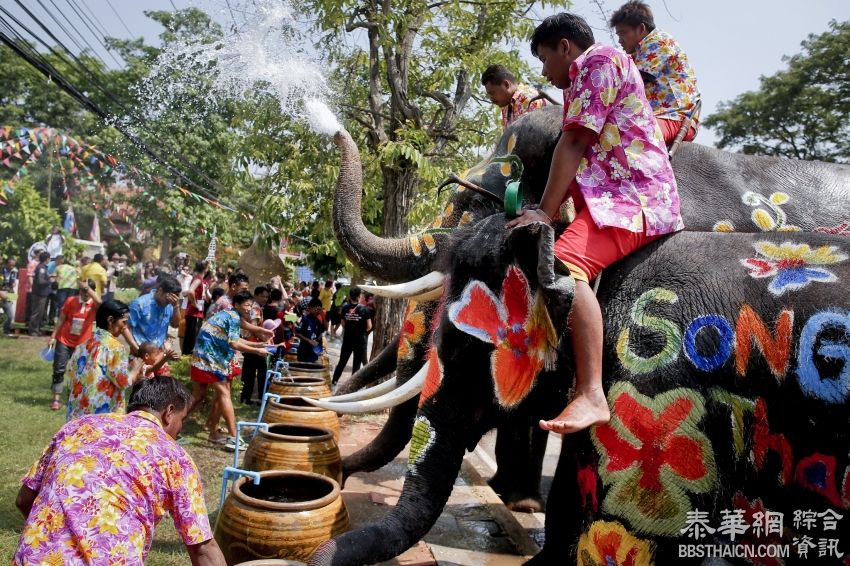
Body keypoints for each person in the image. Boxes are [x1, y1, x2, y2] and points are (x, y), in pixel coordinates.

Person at [507, 13, 683, 434]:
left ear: (566, 47)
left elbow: (573, 144)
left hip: (636, 201)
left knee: (565, 265)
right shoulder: (585, 81)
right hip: (613, 200)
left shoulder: (599, 61)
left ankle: (591, 394)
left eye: (545, 59)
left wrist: (544, 213)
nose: (544, 72)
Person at [13, 377, 227, 565]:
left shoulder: (76, 427)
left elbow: (24, 499)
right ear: (169, 413)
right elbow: (203, 548)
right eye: (183, 419)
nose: (179, 430)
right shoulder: (176, 457)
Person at [610, 0, 700, 144]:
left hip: (674, 117)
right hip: (658, 116)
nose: (620, 40)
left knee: (627, 139)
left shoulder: (657, 42)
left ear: (641, 28)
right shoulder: (638, 53)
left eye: (623, 33)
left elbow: (632, 82)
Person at [189, 291, 270, 450]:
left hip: (205, 355)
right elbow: (234, 344)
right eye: (246, 305)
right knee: (224, 393)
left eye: (250, 305)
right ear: (237, 305)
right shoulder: (233, 317)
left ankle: (176, 424)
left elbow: (234, 339)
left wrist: (257, 345)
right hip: (209, 358)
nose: (249, 308)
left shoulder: (231, 315)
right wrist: (256, 351)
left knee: (198, 395)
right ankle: (234, 438)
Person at [65, 300, 146, 420]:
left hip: (77, 414)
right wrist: (135, 369)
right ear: (110, 320)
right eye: (124, 322)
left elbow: (70, 378)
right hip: (102, 416)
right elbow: (123, 382)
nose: (125, 327)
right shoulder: (115, 347)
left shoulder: (83, 345)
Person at [48, 279, 102, 410]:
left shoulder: (94, 304)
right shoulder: (71, 300)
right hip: (64, 339)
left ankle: (73, 397)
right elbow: (61, 319)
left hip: (82, 343)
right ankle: (56, 398)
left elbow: (100, 303)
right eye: (82, 290)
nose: (84, 293)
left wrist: (87, 288)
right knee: (59, 368)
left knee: (79, 371)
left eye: (87, 291)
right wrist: (53, 336)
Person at [481, 64, 549, 129]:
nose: (491, 99)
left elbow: (537, 136)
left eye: (492, 93)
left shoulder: (530, 99)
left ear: (506, 84)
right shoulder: (507, 105)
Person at [331, 287, 373, 388]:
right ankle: (352, 386)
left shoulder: (345, 308)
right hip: (359, 340)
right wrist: (361, 332)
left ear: (350, 296)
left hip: (348, 339)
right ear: (359, 296)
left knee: (342, 361)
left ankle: (334, 381)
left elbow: (343, 324)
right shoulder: (364, 309)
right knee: (356, 363)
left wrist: (351, 328)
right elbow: (369, 326)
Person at [240, 285, 270, 405]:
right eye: (262, 296)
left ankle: (245, 397)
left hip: (249, 343)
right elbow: (254, 326)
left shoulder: (252, 306)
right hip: (255, 344)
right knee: (261, 371)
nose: (265, 299)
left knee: (248, 371)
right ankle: (261, 398)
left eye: (267, 296)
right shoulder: (256, 308)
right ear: (256, 295)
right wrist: (262, 338)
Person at [183, 261, 209, 356]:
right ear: (205, 268)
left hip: (195, 313)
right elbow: (190, 291)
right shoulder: (198, 279)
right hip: (193, 313)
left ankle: (186, 357)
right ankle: (186, 358)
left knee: (191, 336)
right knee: (191, 337)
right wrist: (195, 304)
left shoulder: (199, 279)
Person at [27, 251, 52, 336]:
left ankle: (36, 329)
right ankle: (33, 330)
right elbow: (40, 281)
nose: (50, 259)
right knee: (37, 312)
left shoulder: (44, 267)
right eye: (49, 258)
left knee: (40, 313)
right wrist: (49, 281)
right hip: (39, 294)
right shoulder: (41, 268)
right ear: (46, 259)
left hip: (42, 294)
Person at [296, 298, 325, 363]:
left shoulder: (318, 321)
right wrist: (309, 341)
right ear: (310, 308)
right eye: (315, 309)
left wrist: (323, 315)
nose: (317, 311)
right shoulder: (305, 319)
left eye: (319, 310)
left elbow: (325, 329)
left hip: (314, 353)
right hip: (303, 351)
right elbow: (297, 333)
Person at [1, 256, 18, 335]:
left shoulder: (14, 272)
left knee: (10, 315)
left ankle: (6, 331)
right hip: (1, 293)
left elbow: (13, 283)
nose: (12, 267)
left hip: (10, 294)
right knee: (8, 315)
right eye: (10, 265)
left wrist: (13, 283)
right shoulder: (1, 270)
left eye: (13, 265)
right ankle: (6, 330)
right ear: (6, 263)